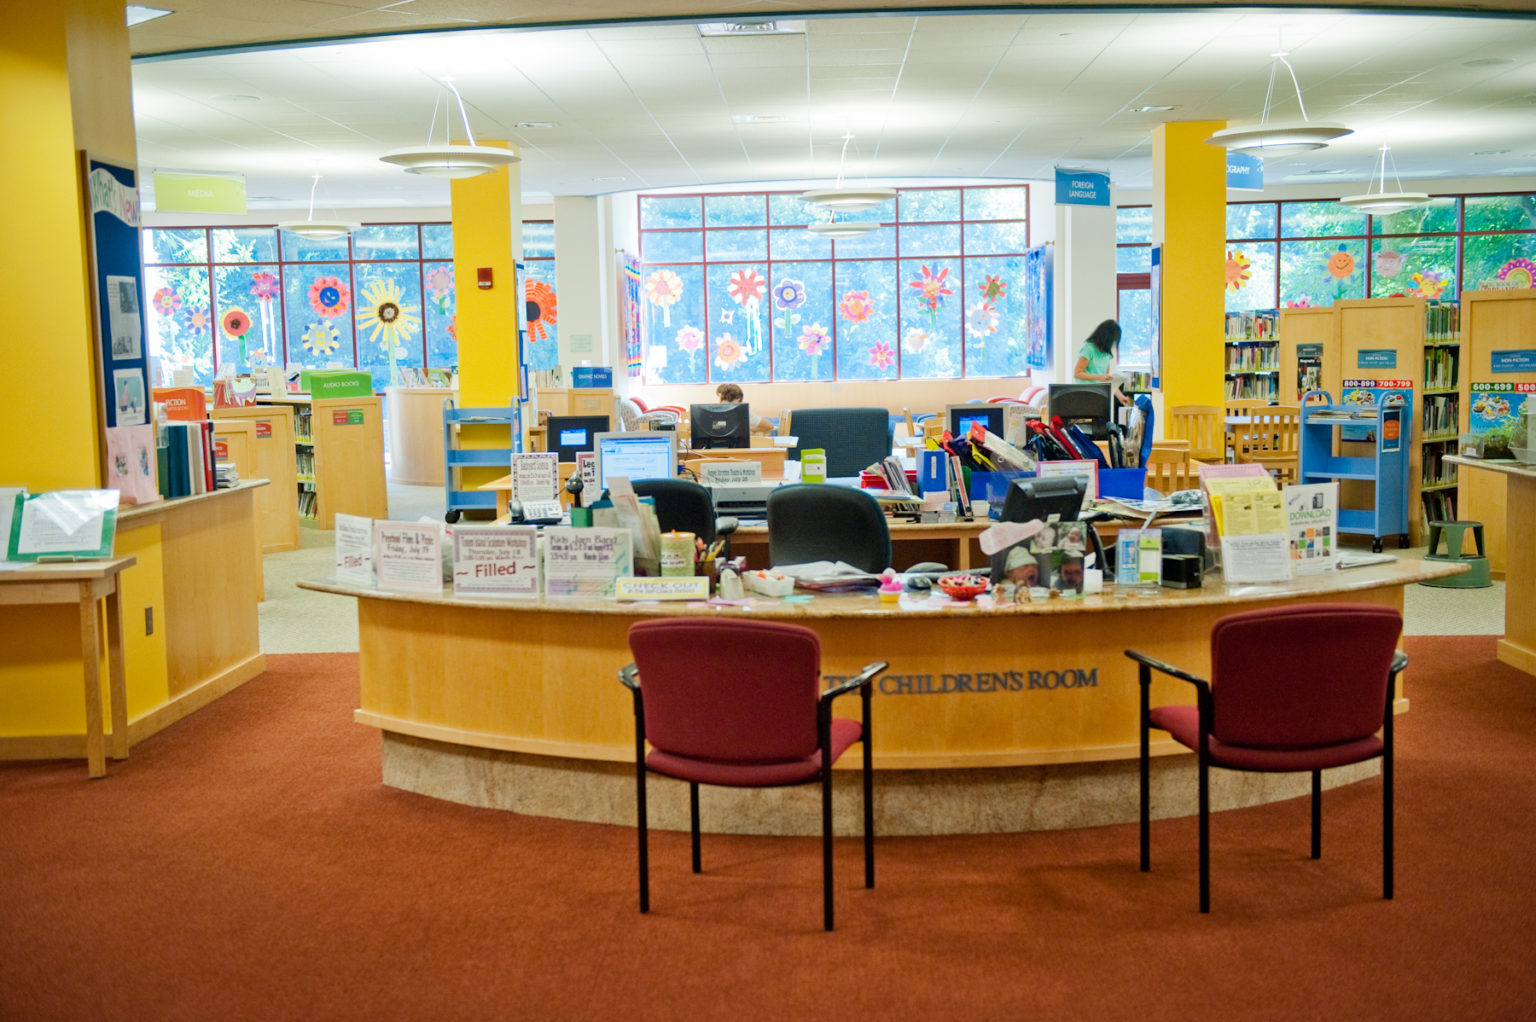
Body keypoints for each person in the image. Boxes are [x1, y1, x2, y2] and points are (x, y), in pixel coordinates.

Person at [1073, 319, 1131, 406]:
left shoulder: (1107, 354)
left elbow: (1107, 380)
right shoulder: (1089, 348)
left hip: (1099, 395)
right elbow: (1077, 373)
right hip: (1084, 395)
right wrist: (1099, 377)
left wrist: (1120, 396)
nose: (1112, 344)